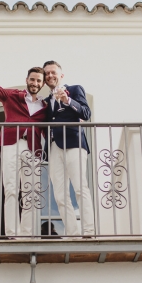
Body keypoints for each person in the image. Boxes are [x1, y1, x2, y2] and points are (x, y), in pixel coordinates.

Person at [0, 40, 47, 238]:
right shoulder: (12, 96)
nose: (35, 83)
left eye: (39, 81)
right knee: (11, 189)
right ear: (27, 79)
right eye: (32, 80)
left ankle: (28, 234)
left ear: (42, 84)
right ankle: (12, 234)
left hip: (33, 149)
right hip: (11, 144)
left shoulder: (46, 105)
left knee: (31, 192)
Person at [42, 60, 95, 237]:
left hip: (74, 142)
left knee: (80, 189)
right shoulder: (46, 101)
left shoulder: (75, 89)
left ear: (61, 75)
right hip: (54, 147)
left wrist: (67, 100)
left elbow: (86, 114)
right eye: (47, 73)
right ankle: (72, 233)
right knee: (59, 195)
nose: (50, 75)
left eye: (53, 72)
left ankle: (88, 231)